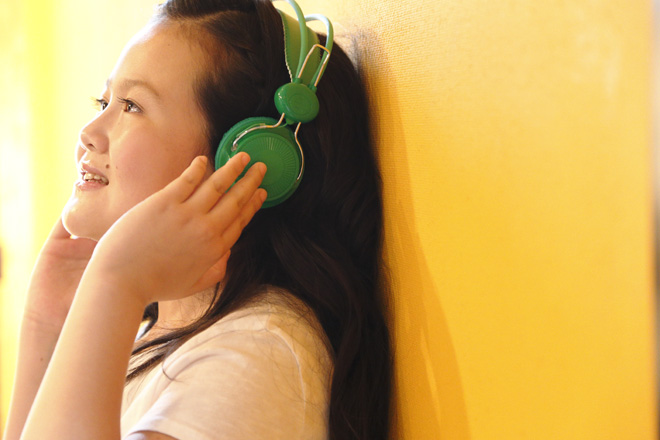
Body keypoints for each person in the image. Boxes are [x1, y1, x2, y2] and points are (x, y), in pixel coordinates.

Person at [3, 0, 391, 439]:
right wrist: (46, 324)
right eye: (103, 101)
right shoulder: (156, 339)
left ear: (250, 161)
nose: (89, 134)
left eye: (131, 106)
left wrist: (113, 284)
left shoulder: (256, 355)